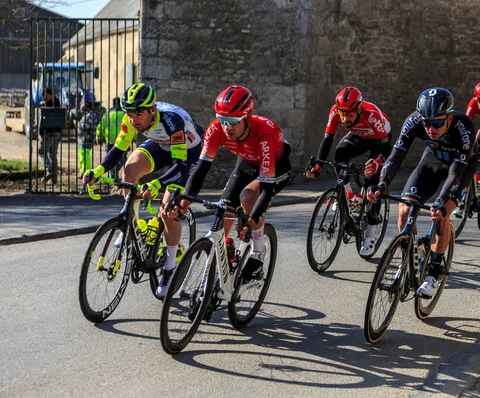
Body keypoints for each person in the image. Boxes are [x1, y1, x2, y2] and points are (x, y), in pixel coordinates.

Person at [82, 83, 205, 298]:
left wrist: (156, 184)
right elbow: (118, 149)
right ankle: (133, 226)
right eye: (129, 114)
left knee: (168, 210)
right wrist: (98, 170)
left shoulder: (171, 120)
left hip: (188, 154)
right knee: (128, 171)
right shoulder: (130, 120)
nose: (133, 120)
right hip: (160, 145)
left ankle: (169, 266)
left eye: (138, 113)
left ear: (152, 110)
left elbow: (180, 165)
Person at [367, 88, 478, 297]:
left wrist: (440, 201)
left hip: (459, 167)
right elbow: (396, 156)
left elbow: (455, 174)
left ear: (448, 118)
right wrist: (381, 184)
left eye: (437, 123)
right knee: (404, 209)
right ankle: (410, 255)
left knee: (443, 213)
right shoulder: (414, 121)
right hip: (432, 161)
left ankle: (433, 275)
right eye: (427, 123)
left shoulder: (464, 127)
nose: (431, 128)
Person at [175, 85, 292, 283]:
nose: (227, 127)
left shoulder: (264, 132)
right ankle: (224, 254)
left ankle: (257, 255)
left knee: (247, 197)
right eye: (222, 120)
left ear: (247, 118)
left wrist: (251, 220)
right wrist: (185, 198)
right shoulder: (216, 129)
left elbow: (265, 190)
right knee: (224, 209)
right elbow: (202, 168)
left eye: (232, 122)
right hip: (246, 164)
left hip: (275, 166)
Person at [305, 86, 392, 256]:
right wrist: (318, 166)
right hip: (358, 137)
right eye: (342, 114)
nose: (344, 119)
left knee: (372, 183)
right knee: (340, 154)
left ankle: (370, 235)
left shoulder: (371, 114)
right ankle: (350, 197)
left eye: (350, 114)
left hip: (378, 141)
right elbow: (328, 139)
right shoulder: (336, 112)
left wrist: (378, 161)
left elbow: (386, 147)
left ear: (359, 109)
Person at [96, 97, 126, 179]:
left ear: (112, 104)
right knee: (123, 157)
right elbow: (130, 127)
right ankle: (116, 168)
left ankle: (113, 177)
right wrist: (133, 138)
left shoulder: (107, 114)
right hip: (123, 139)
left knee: (110, 158)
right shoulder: (124, 114)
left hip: (110, 139)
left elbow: (100, 127)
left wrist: (99, 137)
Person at [38, 88, 61, 183]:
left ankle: (49, 169)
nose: (45, 98)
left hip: (48, 133)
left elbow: (42, 121)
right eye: (44, 96)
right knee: (53, 154)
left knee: (41, 152)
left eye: (47, 95)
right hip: (57, 133)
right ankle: (54, 179)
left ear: (51, 95)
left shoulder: (46, 105)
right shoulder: (58, 104)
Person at [77, 101, 100, 178]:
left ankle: (87, 174)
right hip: (84, 139)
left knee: (85, 157)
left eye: (81, 109)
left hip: (86, 139)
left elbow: (84, 126)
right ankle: (82, 173)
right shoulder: (89, 115)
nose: (80, 111)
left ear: (85, 109)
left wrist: (77, 123)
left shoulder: (90, 116)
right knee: (82, 157)